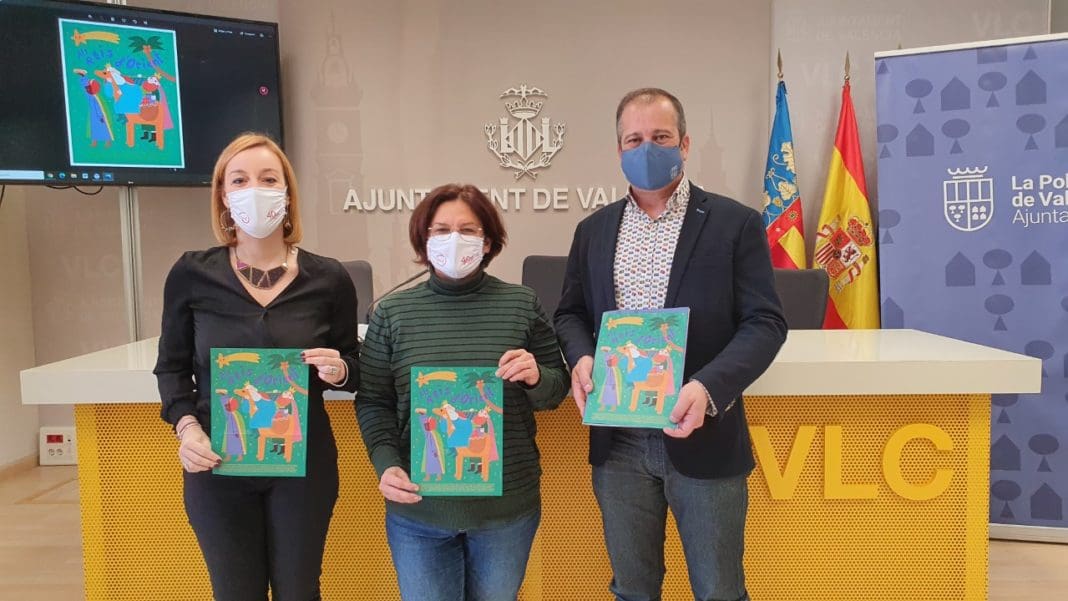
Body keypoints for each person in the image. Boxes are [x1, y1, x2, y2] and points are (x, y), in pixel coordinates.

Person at [554, 88, 788, 601]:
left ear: (684, 143)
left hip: (703, 432)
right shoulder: (593, 230)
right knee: (632, 590)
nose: (646, 149)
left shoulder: (735, 223)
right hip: (618, 441)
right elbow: (569, 313)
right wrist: (582, 356)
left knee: (720, 590)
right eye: (634, 139)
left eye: (660, 137)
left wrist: (707, 389)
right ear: (619, 149)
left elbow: (766, 322)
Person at [154, 132, 360, 601]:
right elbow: (171, 369)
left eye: (268, 179)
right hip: (218, 462)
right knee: (235, 591)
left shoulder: (330, 278)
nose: (255, 189)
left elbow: (356, 364)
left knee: (299, 590)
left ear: (287, 194)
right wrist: (187, 429)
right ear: (223, 197)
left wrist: (341, 370)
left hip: (303, 465)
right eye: (240, 180)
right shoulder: (191, 273)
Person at [356, 183, 568, 601]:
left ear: (487, 241)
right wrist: (386, 464)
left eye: (468, 230)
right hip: (419, 509)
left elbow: (556, 391)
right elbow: (374, 400)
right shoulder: (392, 313)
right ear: (424, 239)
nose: (454, 240)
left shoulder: (521, 303)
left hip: (506, 509)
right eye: (441, 230)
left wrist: (536, 377)